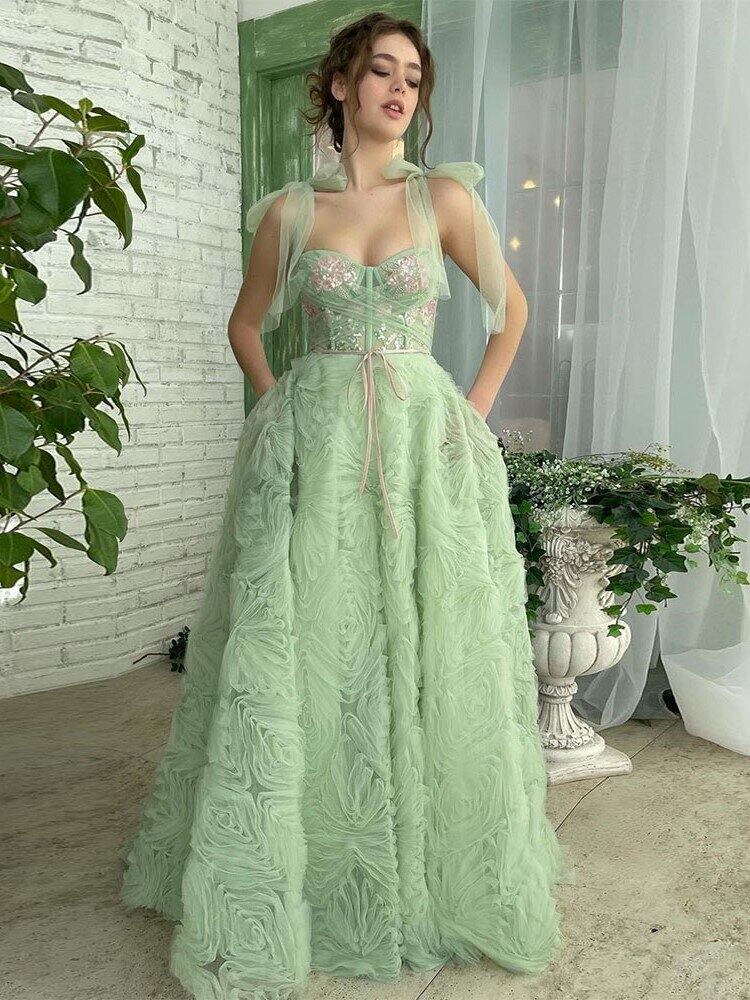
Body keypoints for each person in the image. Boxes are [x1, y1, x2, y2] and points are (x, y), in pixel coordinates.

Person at [119, 12, 574, 1000]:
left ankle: (428, 858)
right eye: (381, 71)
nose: (401, 90)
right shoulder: (291, 212)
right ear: (338, 85)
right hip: (317, 450)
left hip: (420, 447)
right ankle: (316, 857)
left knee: (423, 635)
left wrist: (468, 413)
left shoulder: (442, 198)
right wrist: (276, 406)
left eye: (414, 76)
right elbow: (247, 326)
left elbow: (511, 312)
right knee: (318, 640)